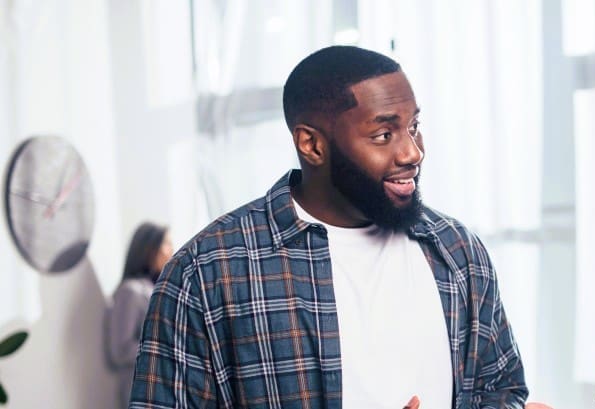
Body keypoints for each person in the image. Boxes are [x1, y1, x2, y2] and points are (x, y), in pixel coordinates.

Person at [129, 46, 528, 408]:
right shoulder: (207, 272)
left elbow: (503, 388)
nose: (412, 151)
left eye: (413, 126)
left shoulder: (457, 250)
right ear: (312, 145)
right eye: (384, 134)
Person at [106, 221, 172, 408]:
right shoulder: (130, 291)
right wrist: (165, 348)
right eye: (166, 244)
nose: (171, 250)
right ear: (149, 249)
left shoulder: (156, 289)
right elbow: (119, 350)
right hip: (142, 393)